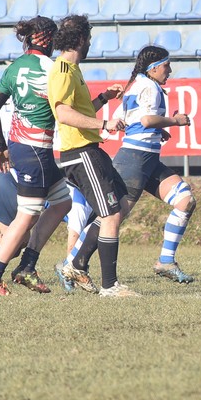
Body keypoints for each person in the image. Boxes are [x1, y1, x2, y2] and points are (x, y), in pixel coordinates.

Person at [0, 16, 77, 295]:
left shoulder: (14, 67)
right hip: (37, 150)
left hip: (20, 146)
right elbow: (66, 111)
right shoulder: (52, 67)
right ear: (47, 39)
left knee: (62, 202)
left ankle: (27, 265)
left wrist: (1, 147)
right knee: (25, 217)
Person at [47, 15, 135, 298]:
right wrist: (105, 123)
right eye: (89, 39)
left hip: (90, 149)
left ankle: (75, 263)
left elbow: (79, 111)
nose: (90, 44)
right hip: (80, 151)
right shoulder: (63, 69)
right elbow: (63, 113)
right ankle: (110, 286)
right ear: (81, 39)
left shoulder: (72, 69)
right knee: (109, 214)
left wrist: (103, 98)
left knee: (120, 205)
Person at [109, 45, 197, 283]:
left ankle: (166, 261)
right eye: (166, 66)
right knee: (111, 219)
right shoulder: (149, 86)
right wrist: (174, 121)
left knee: (185, 199)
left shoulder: (137, 84)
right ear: (154, 67)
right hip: (135, 159)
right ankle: (73, 263)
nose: (170, 70)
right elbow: (147, 120)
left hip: (146, 159)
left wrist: (159, 130)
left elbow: (123, 120)